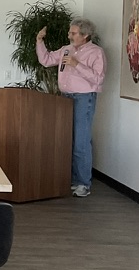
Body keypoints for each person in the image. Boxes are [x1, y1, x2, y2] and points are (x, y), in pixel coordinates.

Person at [36, 18, 106, 198]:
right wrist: (40, 41)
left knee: (81, 141)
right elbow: (46, 60)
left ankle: (83, 184)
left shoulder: (96, 52)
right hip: (65, 98)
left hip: (84, 98)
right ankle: (72, 180)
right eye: (70, 32)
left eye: (73, 33)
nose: (69, 35)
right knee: (67, 140)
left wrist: (77, 65)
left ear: (85, 35)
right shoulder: (66, 49)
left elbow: (98, 79)